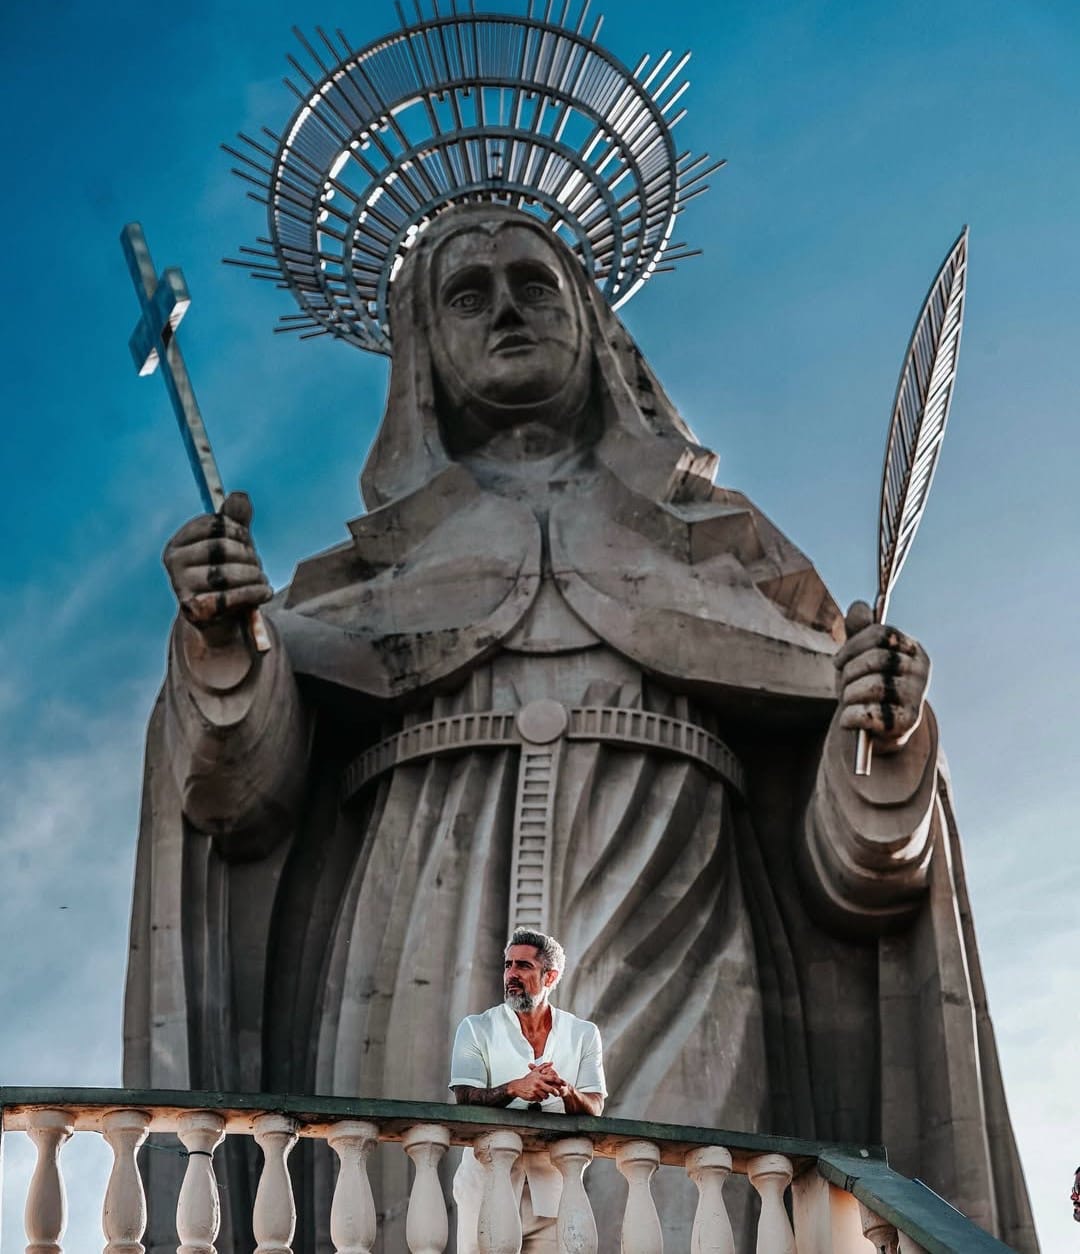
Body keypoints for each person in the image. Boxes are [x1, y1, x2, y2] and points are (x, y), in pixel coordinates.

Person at [125, 204, 1038, 1254]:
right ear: (424, 352)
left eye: (535, 283)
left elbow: (858, 875)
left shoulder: (727, 553)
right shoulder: (363, 580)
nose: (507, 308)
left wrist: (876, 743)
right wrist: (229, 652)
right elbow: (240, 801)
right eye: (468, 294)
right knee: (414, 1218)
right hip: (416, 923)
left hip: (678, 921)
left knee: (683, 1210)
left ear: (594, 325)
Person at [449, 930, 604, 1254]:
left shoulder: (583, 1034)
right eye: (508, 965)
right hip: (487, 1185)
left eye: (523, 966)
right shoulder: (476, 1028)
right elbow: (464, 1095)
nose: (511, 975)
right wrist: (515, 1088)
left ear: (550, 976)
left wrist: (566, 1091)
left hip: (554, 1190)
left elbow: (595, 1106)